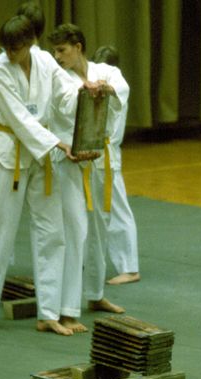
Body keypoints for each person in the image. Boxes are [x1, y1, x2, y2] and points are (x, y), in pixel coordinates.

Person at [0, 15, 94, 335]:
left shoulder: (43, 60)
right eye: (7, 49)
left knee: (52, 232)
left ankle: (48, 313)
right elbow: (18, 119)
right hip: (10, 153)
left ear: (29, 43)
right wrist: (56, 141)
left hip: (43, 156)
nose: (11, 54)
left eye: (17, 48)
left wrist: (86, 90)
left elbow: (65, 94)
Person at [47, 24, 128, 333]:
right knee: (75, 230)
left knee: (100, 227)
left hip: (100, 156)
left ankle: (95, 294)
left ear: (78, 47)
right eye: (55, 51)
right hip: (72, 158)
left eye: (62, 50)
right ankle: (65, 306)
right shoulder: (60, 79)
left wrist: (104, 89)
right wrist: (86, 90)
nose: (58, 57)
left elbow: (121, 92)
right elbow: (63, 108)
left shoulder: (105, 71)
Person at [92, 45, 140, 286]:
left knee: (116, 209)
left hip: (106, 153)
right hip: (94, 153)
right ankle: (92, 259)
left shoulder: (115, 82)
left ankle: (130, 267)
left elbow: (119, 87)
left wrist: (106, 85)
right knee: (96, 210)